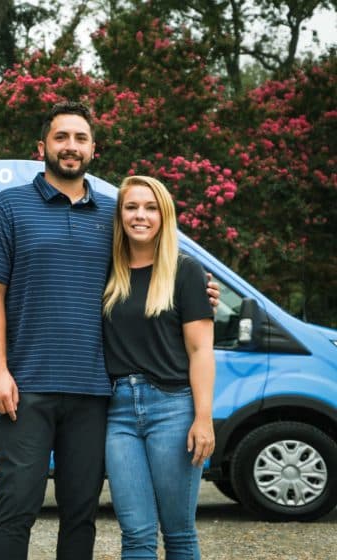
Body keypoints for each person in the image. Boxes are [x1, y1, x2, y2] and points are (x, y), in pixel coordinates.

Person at [0, 102, 217, 560]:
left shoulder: (112, 216)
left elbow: (149, 269)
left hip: (95, 393)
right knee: (16, 507)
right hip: (27, 388)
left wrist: (199, 293)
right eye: (61, 137)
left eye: (80, 138)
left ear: (93, 149)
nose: (71, 146)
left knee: (81, 513)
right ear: (42, 146)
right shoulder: (9, 206)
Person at [102, 175, 215, 559]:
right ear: (120, 215)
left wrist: (203, 418)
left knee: (178, 532)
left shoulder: (186, 272)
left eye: (151, 208)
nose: (141, 215)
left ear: (164, 216)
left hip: (173, 410)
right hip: (117, 413)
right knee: (135, 534)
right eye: (131, 207)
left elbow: (200, 350)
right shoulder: (106, 272)